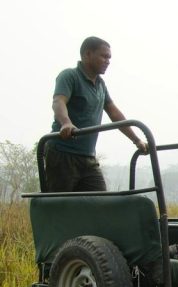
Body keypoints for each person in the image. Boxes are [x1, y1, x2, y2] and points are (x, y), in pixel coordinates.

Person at [46, 36, 148, 192]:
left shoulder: (100, 84)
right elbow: (58, 101)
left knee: (100, 203)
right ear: (87, 54)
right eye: (104, 56)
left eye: (109, 58)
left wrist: (136, 140)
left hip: (87, 157)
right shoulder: (70, 76)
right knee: (61, 206)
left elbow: (114, 113)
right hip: (63, 154)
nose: (108, 61)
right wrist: (66, 122)